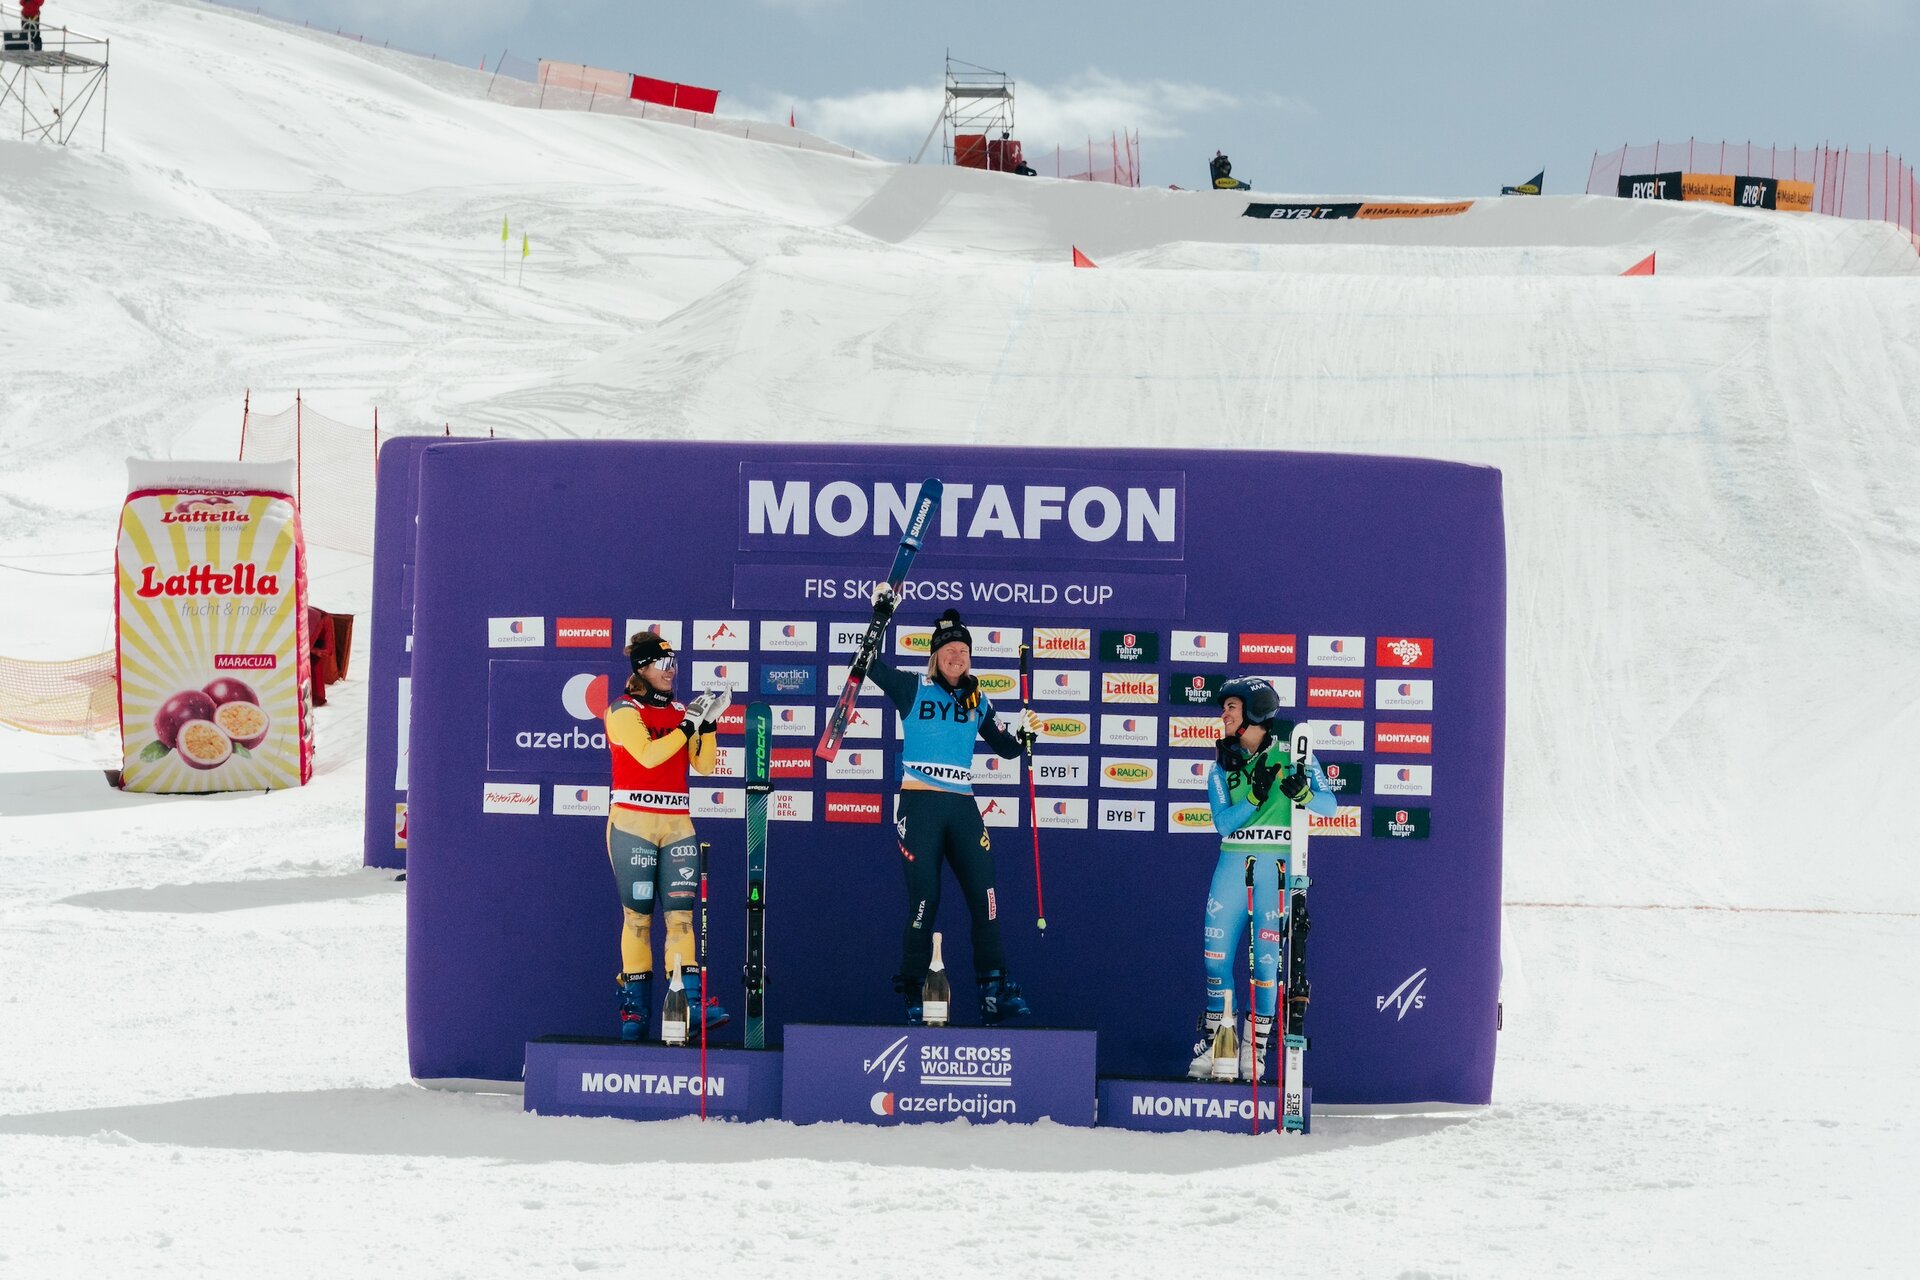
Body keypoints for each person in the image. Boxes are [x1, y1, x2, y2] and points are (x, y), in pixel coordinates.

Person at [865, 593, 1041, 1025]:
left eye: (963, 651)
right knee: (925, 901)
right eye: (949, 651)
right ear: (935, 656)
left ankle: (993, 993)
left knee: (987, 899)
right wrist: (880, 616)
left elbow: (1007, 749)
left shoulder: (978, 700)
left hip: (962, 806)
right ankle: (913, 990)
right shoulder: (913, 687)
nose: (957, 657)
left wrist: (1024, 734)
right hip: (920, 805)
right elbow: (867, 664)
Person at [1189, 675, 1336, 1080]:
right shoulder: (1222, 764)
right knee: (1215, 960)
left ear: (1254, 712)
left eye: (1231, 708)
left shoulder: (1293, 752)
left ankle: (1255, 1052)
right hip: (1233, 865)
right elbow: (1223, 824)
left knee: (1266, 969)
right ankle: (1218, 1043)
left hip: (1275, 869)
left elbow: (1330, 805)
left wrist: (1304, 794)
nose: (1223, 715)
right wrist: (1254, 798)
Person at [602, 631, 729, 1041]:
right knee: (638, 920)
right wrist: (689, 724)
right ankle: (635, 1012)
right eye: (663, 664)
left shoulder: (679, 711)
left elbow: (704, 765)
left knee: (681, 919)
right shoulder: (623, 709)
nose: (671, 671)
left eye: (673, 663)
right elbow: (648, 755)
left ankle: (690, 1005)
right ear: (642, 668)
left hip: (676, 822)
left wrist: (708, 725)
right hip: (632, 822)